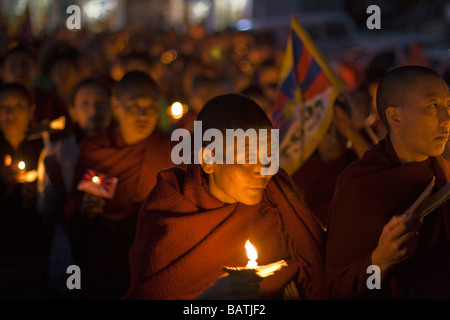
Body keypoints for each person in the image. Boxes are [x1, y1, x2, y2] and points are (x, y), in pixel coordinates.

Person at [123, 93, 325, 300]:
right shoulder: (170, 213)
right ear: (208, 159)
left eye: (269, 156)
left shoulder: (278, 195)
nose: (264, 170)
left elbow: (316, 271)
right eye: (248, 158)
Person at [325, 65, 450, 299]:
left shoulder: (443, 172)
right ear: (395, 117)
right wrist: (380, 261)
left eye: (448, 106)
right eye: (433, 106)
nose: (446, 119)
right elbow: (336, 288)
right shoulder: (360, 185)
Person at [64, 71, 175, 299]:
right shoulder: (96, 148)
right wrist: (86, 208)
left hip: (151, 255)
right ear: (115, 105)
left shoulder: (171, 149)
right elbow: (74, 204)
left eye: (151, 107)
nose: (143, 115)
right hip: (104, 252)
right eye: (134, 106)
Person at [36, 77, 113, 296]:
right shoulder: (59, 152)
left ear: (113, 106)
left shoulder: (124, 148)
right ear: (73, 110)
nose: (93, 110)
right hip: (68, 250)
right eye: (85, 103)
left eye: (100, 102)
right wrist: (56, 186)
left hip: (112, 253)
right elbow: (46, 212)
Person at [0, 83, 47, 298]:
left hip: (36, 242)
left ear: (31, 110)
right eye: (4, 106)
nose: (10, 113)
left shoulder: (44, 147)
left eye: (18, 106)